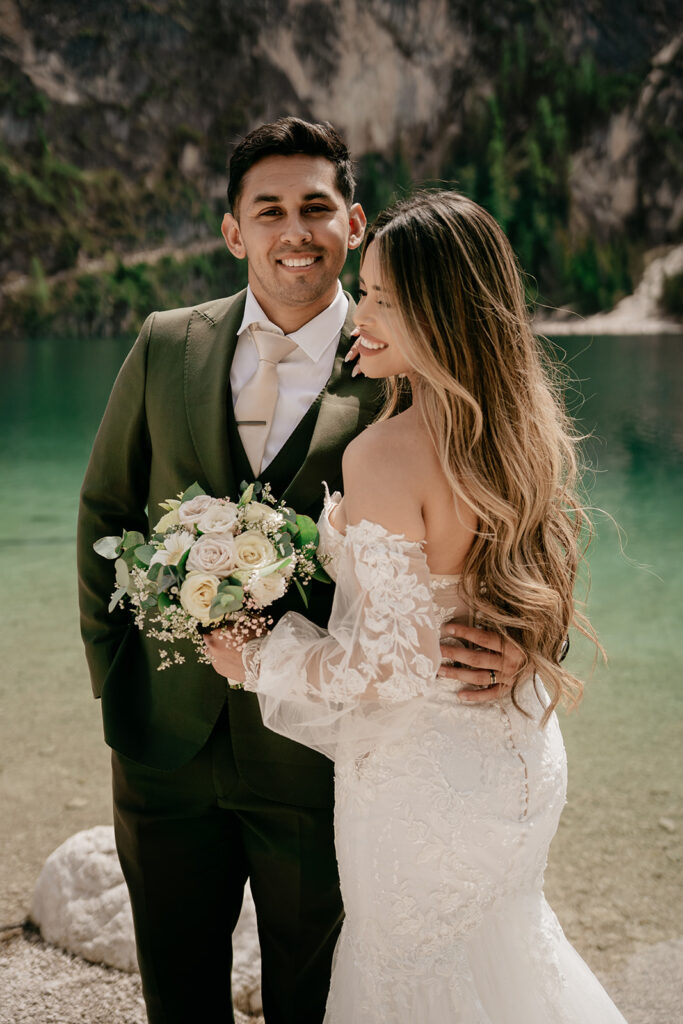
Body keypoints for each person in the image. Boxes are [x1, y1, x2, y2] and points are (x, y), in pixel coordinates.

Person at [77, 119, 519, 1024]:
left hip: (324, 763)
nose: (295, 230)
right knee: (177, 995)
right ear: (234, 231)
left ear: (353, 224)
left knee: (315, 1001)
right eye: (267, 209)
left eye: (316, 207)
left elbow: (505, 509)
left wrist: (523, 639)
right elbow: (106, 513)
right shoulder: (166, 343)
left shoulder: (407, 363)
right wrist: (116, 683)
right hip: (163, 745)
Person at [206, 191, 629, 1022]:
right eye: (364, 291)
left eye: (383, 299)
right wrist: (529, 643)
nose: (359, 312)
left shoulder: (386, 452)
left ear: (441, 314)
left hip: (422, 782)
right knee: (506, 956)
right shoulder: (522, 427)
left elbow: (386, 667)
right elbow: (534, 577)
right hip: (520, 752)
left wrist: (254, 656)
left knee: (412, 975)